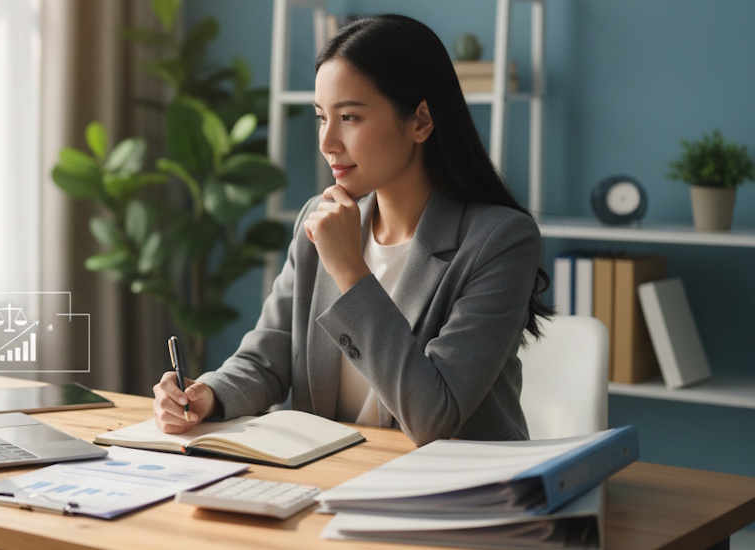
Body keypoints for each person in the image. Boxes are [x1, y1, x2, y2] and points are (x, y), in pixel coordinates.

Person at [152, 14, 553, 446]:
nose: (327, 142)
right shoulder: (320, 218)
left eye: (350, 118)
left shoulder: (501, 240)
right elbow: (267, 360)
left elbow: (434, 417)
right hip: (333, 477)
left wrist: (349, 270)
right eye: (322, 117)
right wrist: (206, 394)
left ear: (420, 121)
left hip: (457, 492)